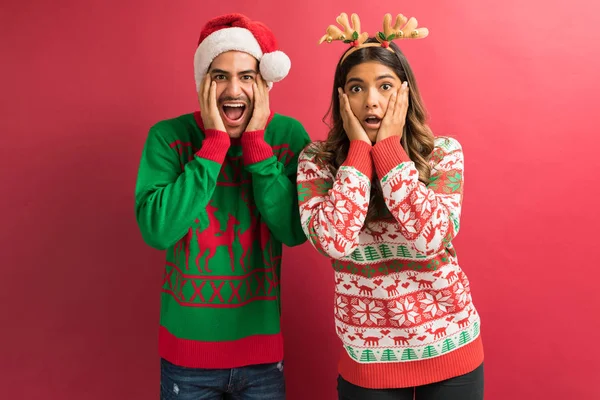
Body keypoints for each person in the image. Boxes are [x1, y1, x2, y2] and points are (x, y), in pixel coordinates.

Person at [297, 12, 484, 399]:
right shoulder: (315, 161)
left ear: (404, 93)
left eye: (384, 86)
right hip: (368, 359)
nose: (372, 101)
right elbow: (332, 241)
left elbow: (433, 237)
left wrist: (388, 150)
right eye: (356, 88)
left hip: (451, 347)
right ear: (340, 97)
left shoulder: (443, 154)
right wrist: (360, 154)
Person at [134, 13, 310, 400]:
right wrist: (213, 146)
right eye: (220, 76)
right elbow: (157, 230)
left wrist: (258, 149)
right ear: (203, 83)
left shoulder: (288, 137)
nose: (234, 90)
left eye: (247, 76)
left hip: (262, 358)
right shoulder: (169, 138)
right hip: (187, 359)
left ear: (264, 84)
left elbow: (295, 232)